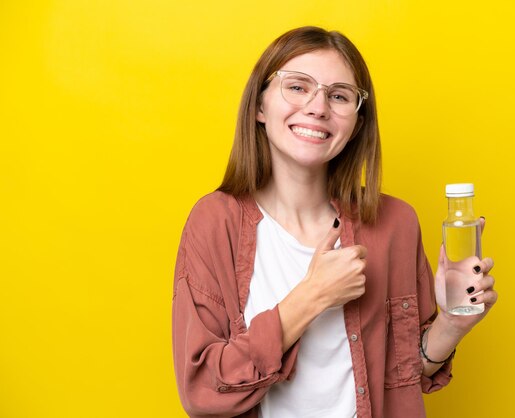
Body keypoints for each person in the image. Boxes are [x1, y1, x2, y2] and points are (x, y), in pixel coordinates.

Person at [172, 26, 497, 418]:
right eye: (297, 87)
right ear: (260, 106)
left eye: (339, 96)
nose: (318, 107)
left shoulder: (395, 223)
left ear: (356, 124)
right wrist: (312, 296)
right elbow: (203, 392)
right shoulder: (214, 222)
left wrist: (451, 323)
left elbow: (406, 375)